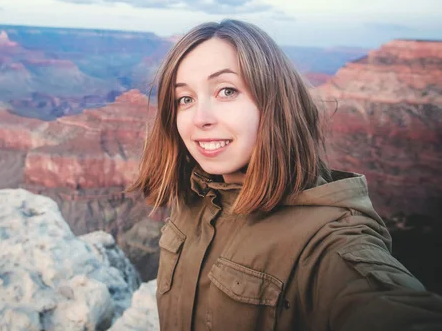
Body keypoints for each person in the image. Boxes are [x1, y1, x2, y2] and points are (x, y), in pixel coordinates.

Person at [129, 19, 442, 330]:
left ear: (273, 101)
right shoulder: (193, 193)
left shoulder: (329, 244)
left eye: (226, 91)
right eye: (185, 98)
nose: (200, 118)